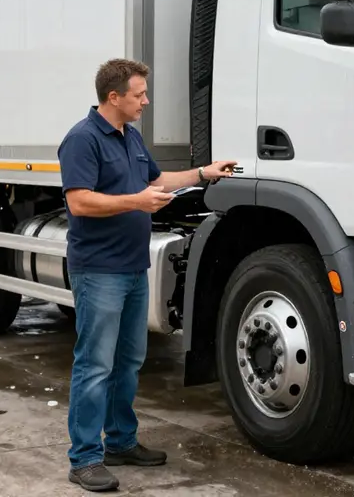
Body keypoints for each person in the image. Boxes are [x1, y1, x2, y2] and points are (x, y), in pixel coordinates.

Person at [57, 58, 237, 492]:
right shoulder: (82, 140)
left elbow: (157, 180)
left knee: (129, 361)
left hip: (135, 268)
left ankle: (120, 441)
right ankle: (84, 459)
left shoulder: (131, 137)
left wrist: (202, 173)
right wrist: (135, 202)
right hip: (99, 270)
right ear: (114, 97)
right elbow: (80, 202)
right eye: (139, 94)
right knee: (94, 364)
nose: (146, 101)